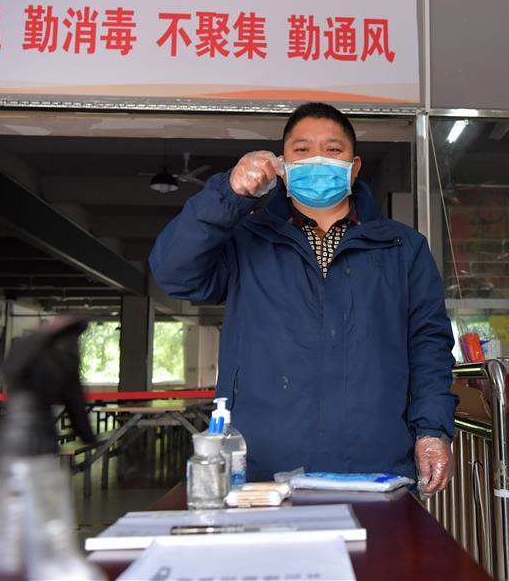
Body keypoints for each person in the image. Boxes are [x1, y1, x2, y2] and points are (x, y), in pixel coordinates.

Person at [150, 103, 457, 494]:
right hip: (261, 472)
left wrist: (432, 429)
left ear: (354, 167)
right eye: (302, 150)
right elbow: (174, 274)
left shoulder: (402, 247)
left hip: (375, 468)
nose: (317, 160)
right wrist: (228, 194)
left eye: (332, 150)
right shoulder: (246, 240)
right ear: (282, 166)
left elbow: (429, 345)